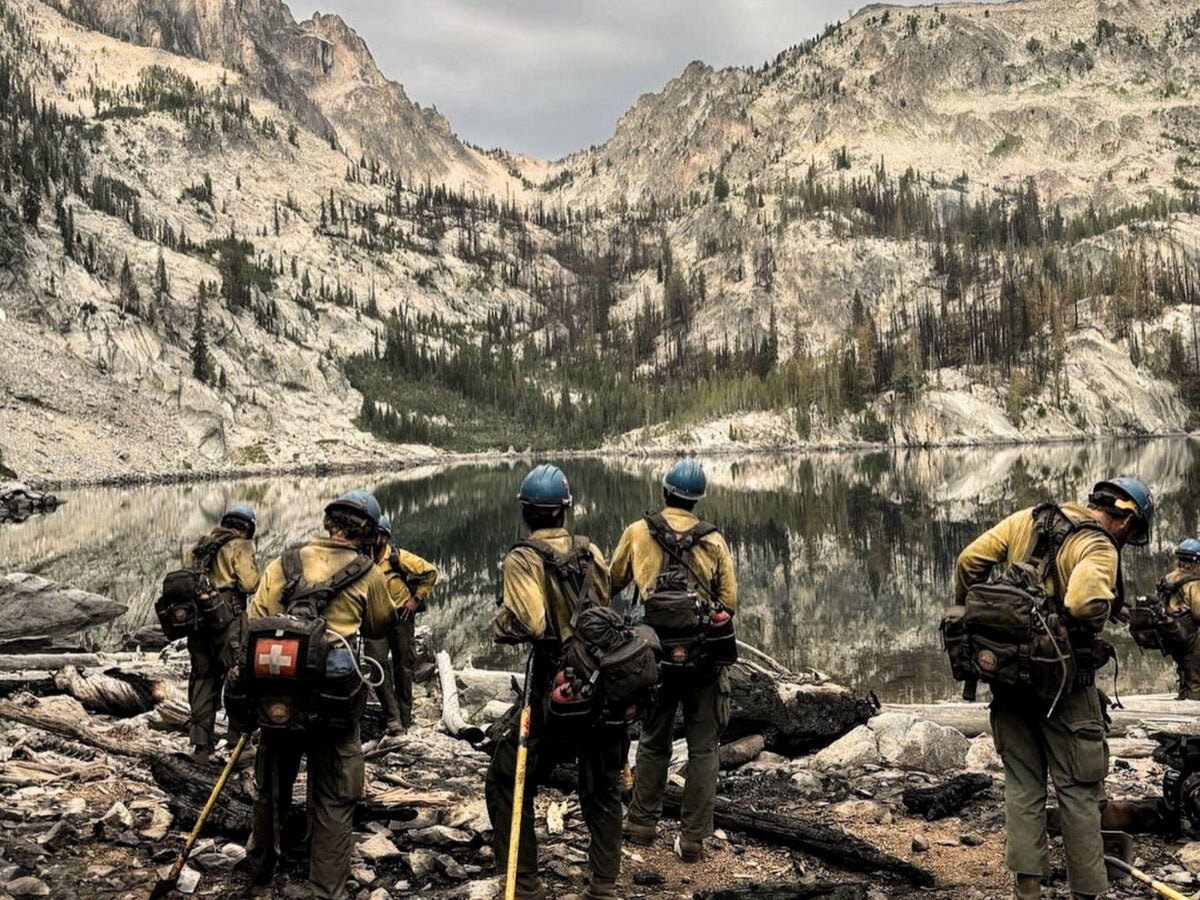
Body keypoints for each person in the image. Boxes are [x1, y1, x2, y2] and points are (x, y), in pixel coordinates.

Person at [954, 476, 1154, 900]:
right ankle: (1088, 892)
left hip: (1008, 680)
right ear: (1126, 520)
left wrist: (982, 615)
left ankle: (1028, 889)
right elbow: (1084, 600)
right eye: (1133, 533)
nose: (1128, 540)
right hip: (1066, 688)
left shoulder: (1028, 519)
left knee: (1023, 785)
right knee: (1079, 791)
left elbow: (968, 561)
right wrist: (1068, 628)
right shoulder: (1098, 545)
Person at [244, 490, 400, 900]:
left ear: (330, 523)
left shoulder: (287, 561)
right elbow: (381, 625)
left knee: (271, 783)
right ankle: (325, 886)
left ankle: (260, 867)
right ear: (368, 533)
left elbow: (255, 618)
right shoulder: (369, 573)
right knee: (334, 791)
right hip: (333, 700)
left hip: (280, 691)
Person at [484, 464, 624, 900]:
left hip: (554, 679)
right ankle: (603, 885)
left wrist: (500, 624)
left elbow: (531, 620)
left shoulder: (523, 558)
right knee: (601, 781)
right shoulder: (591, 551)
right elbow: (602, 607)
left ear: (526, 512)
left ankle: (523, 883)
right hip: (600, 676)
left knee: (509, 778)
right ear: (564, 509)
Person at [611, 458, 736, 863]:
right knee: (704, 748)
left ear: (665, 492)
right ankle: (694, 837)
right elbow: (729, 602)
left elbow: (612, 581)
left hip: (652, 656)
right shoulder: (713, 540)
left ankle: (642, 825)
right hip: (701, 658)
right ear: (697, 500)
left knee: (652, 741)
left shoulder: (637, 532)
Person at [183, 504, 260, 764]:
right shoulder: (240, 546)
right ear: (247, 528)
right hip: (229, 618)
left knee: (202, 677)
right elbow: (250, 584)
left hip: (197, 621)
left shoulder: (198, 547)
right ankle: (240, 743)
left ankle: (201, 747)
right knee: (239, 674)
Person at [364, 514, 438, 734]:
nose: (371, 538)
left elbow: (430, 572)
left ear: (385, 537)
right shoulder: (361, 558)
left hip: (401, 617)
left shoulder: (398, 558)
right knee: (376, 664)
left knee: (403, 665)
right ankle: (391, 715)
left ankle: (405, 715)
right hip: (373, 618)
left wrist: (416, 599)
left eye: (377, 534)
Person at [1159, 538, 1200, 700]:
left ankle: (1185, 696)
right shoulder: (1193, 583)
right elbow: (1198, 613)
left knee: (1185, 672)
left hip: (1172, 633)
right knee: (1196, 679)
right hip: (1189, 636)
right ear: (1196, 561)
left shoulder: (1167, 579)